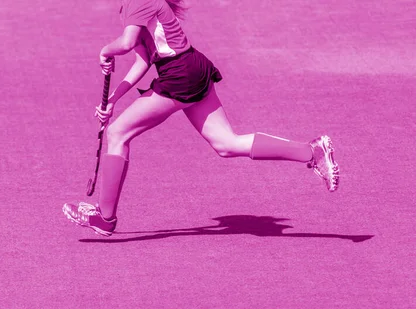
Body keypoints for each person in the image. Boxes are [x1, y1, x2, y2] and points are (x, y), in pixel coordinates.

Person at [63, 0, 339, 237]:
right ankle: (312, 151)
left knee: (117, 133)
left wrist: (104, 50)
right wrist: (113, 99)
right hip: (191, 66)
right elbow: (143, 60)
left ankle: (105, 218)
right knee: (226, 144)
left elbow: (125, 44)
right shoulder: (129, 4)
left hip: (179, 74)